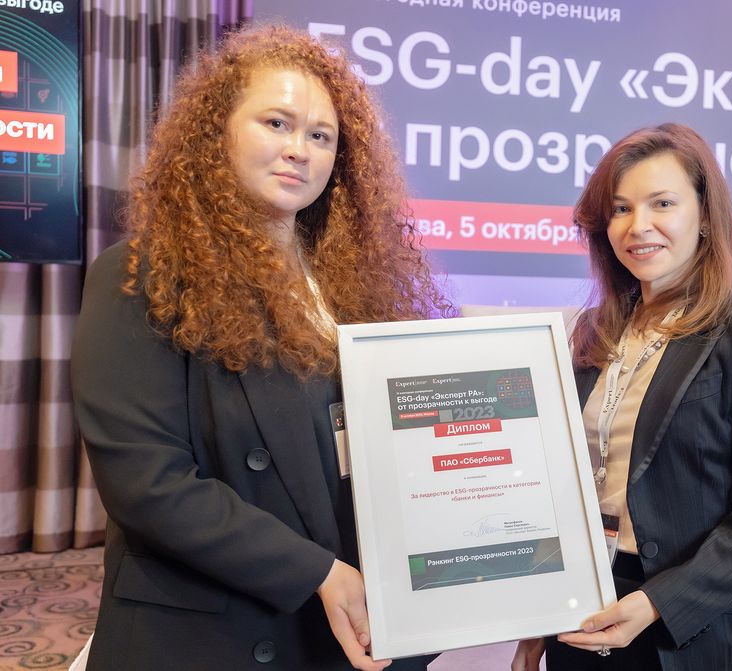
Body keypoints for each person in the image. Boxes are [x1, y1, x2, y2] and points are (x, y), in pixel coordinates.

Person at [70, 25, 451, 670]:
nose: (299, 149)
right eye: (277, 123)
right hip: (212, 629)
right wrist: (316, 572)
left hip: (335, 619)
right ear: (216, 129)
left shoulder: (357, 289)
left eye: (321, 136)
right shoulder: (142, 274)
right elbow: (148, 483)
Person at [513, 123, 732, 671]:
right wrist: (537, 618)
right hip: (584, 603)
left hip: (693, 617)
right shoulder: (593, 329)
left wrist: (656, 603)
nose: (638, 226)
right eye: (620, 209)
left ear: (705, 215)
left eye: (662, 203)